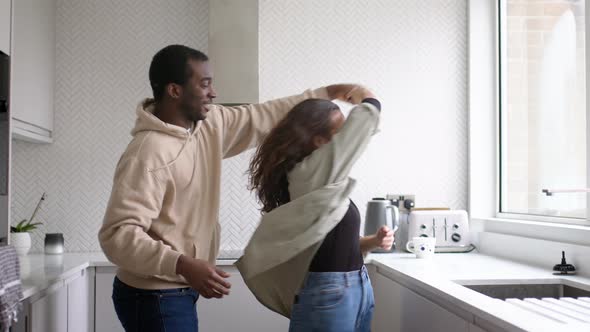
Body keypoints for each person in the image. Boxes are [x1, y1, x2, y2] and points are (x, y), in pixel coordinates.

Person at [98, 44, 363, 332]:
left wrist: (327, 93)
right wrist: (183, 264)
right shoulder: (147, 153)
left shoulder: (209, 124)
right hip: (151, 295)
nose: (213, 93)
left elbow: (261, 116)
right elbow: (118, 235)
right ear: (174, 90)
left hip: (175, 288)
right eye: (204, 84)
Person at [236, 87, 393, 331]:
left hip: (356, 288)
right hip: (332, 294)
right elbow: (364, 121)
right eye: (340, 133)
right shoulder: (309, 173)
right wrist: (365, 95)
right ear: (318, 141)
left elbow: (327, 245)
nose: (345, 140)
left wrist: (373, 241)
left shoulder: (325, 182)